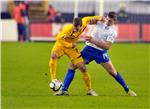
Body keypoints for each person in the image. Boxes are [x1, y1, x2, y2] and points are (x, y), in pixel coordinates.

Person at [56, 12, 137, 96]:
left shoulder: (113, 32)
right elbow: (87, 22)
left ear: (114, 21)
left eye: (110, 21)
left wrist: (92, 40)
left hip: (100, 52)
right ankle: (64, 90)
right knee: (72, 66)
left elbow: (107, 46)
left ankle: (127, 90)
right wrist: (96, 18)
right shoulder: (100, 21)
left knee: (112, 72)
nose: (108, 21)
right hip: (89, 49)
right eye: (108, 19)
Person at [49, 16, 102, 96]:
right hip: (62, 45)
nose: (74, 29)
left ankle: (89, 90)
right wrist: (70, 44)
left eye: (76, 29)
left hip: (72, 49)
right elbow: (58, 38)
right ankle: (53, 79)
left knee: (82, 67)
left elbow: (88, 19)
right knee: (54, 55)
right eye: (74, 27)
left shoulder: (84, 23)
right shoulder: (68, 29)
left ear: (81, 26)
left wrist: (99, 17)